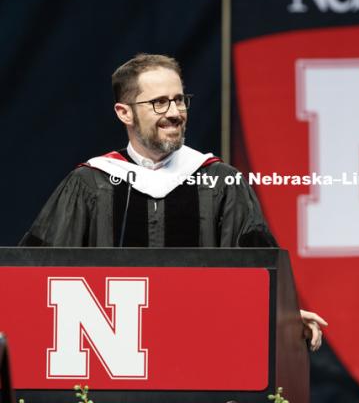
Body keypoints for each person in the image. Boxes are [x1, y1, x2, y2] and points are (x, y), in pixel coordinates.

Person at [19, 53, 327, 349]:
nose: (175, 112)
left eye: (179, 100)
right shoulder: (91, 183)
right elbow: (37, 271)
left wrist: (283, 314)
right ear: (124, 112)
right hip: (112, 360)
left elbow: (257, 268)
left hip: (203, 348)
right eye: (159, 102)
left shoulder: (220, 181)